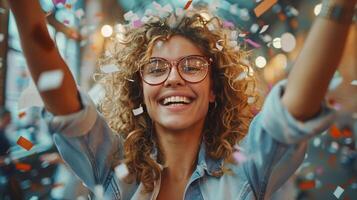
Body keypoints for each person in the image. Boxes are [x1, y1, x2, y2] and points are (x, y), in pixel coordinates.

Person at [7, 0, 357, 199]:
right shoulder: (112, 166)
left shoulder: (247, 171)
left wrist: (341, 6)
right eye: (156, 68)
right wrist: (24, 10)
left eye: (192, 66)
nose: (174, 77)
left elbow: (294, 107)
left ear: (215, 89)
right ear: (139, 89)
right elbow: (61, 98)